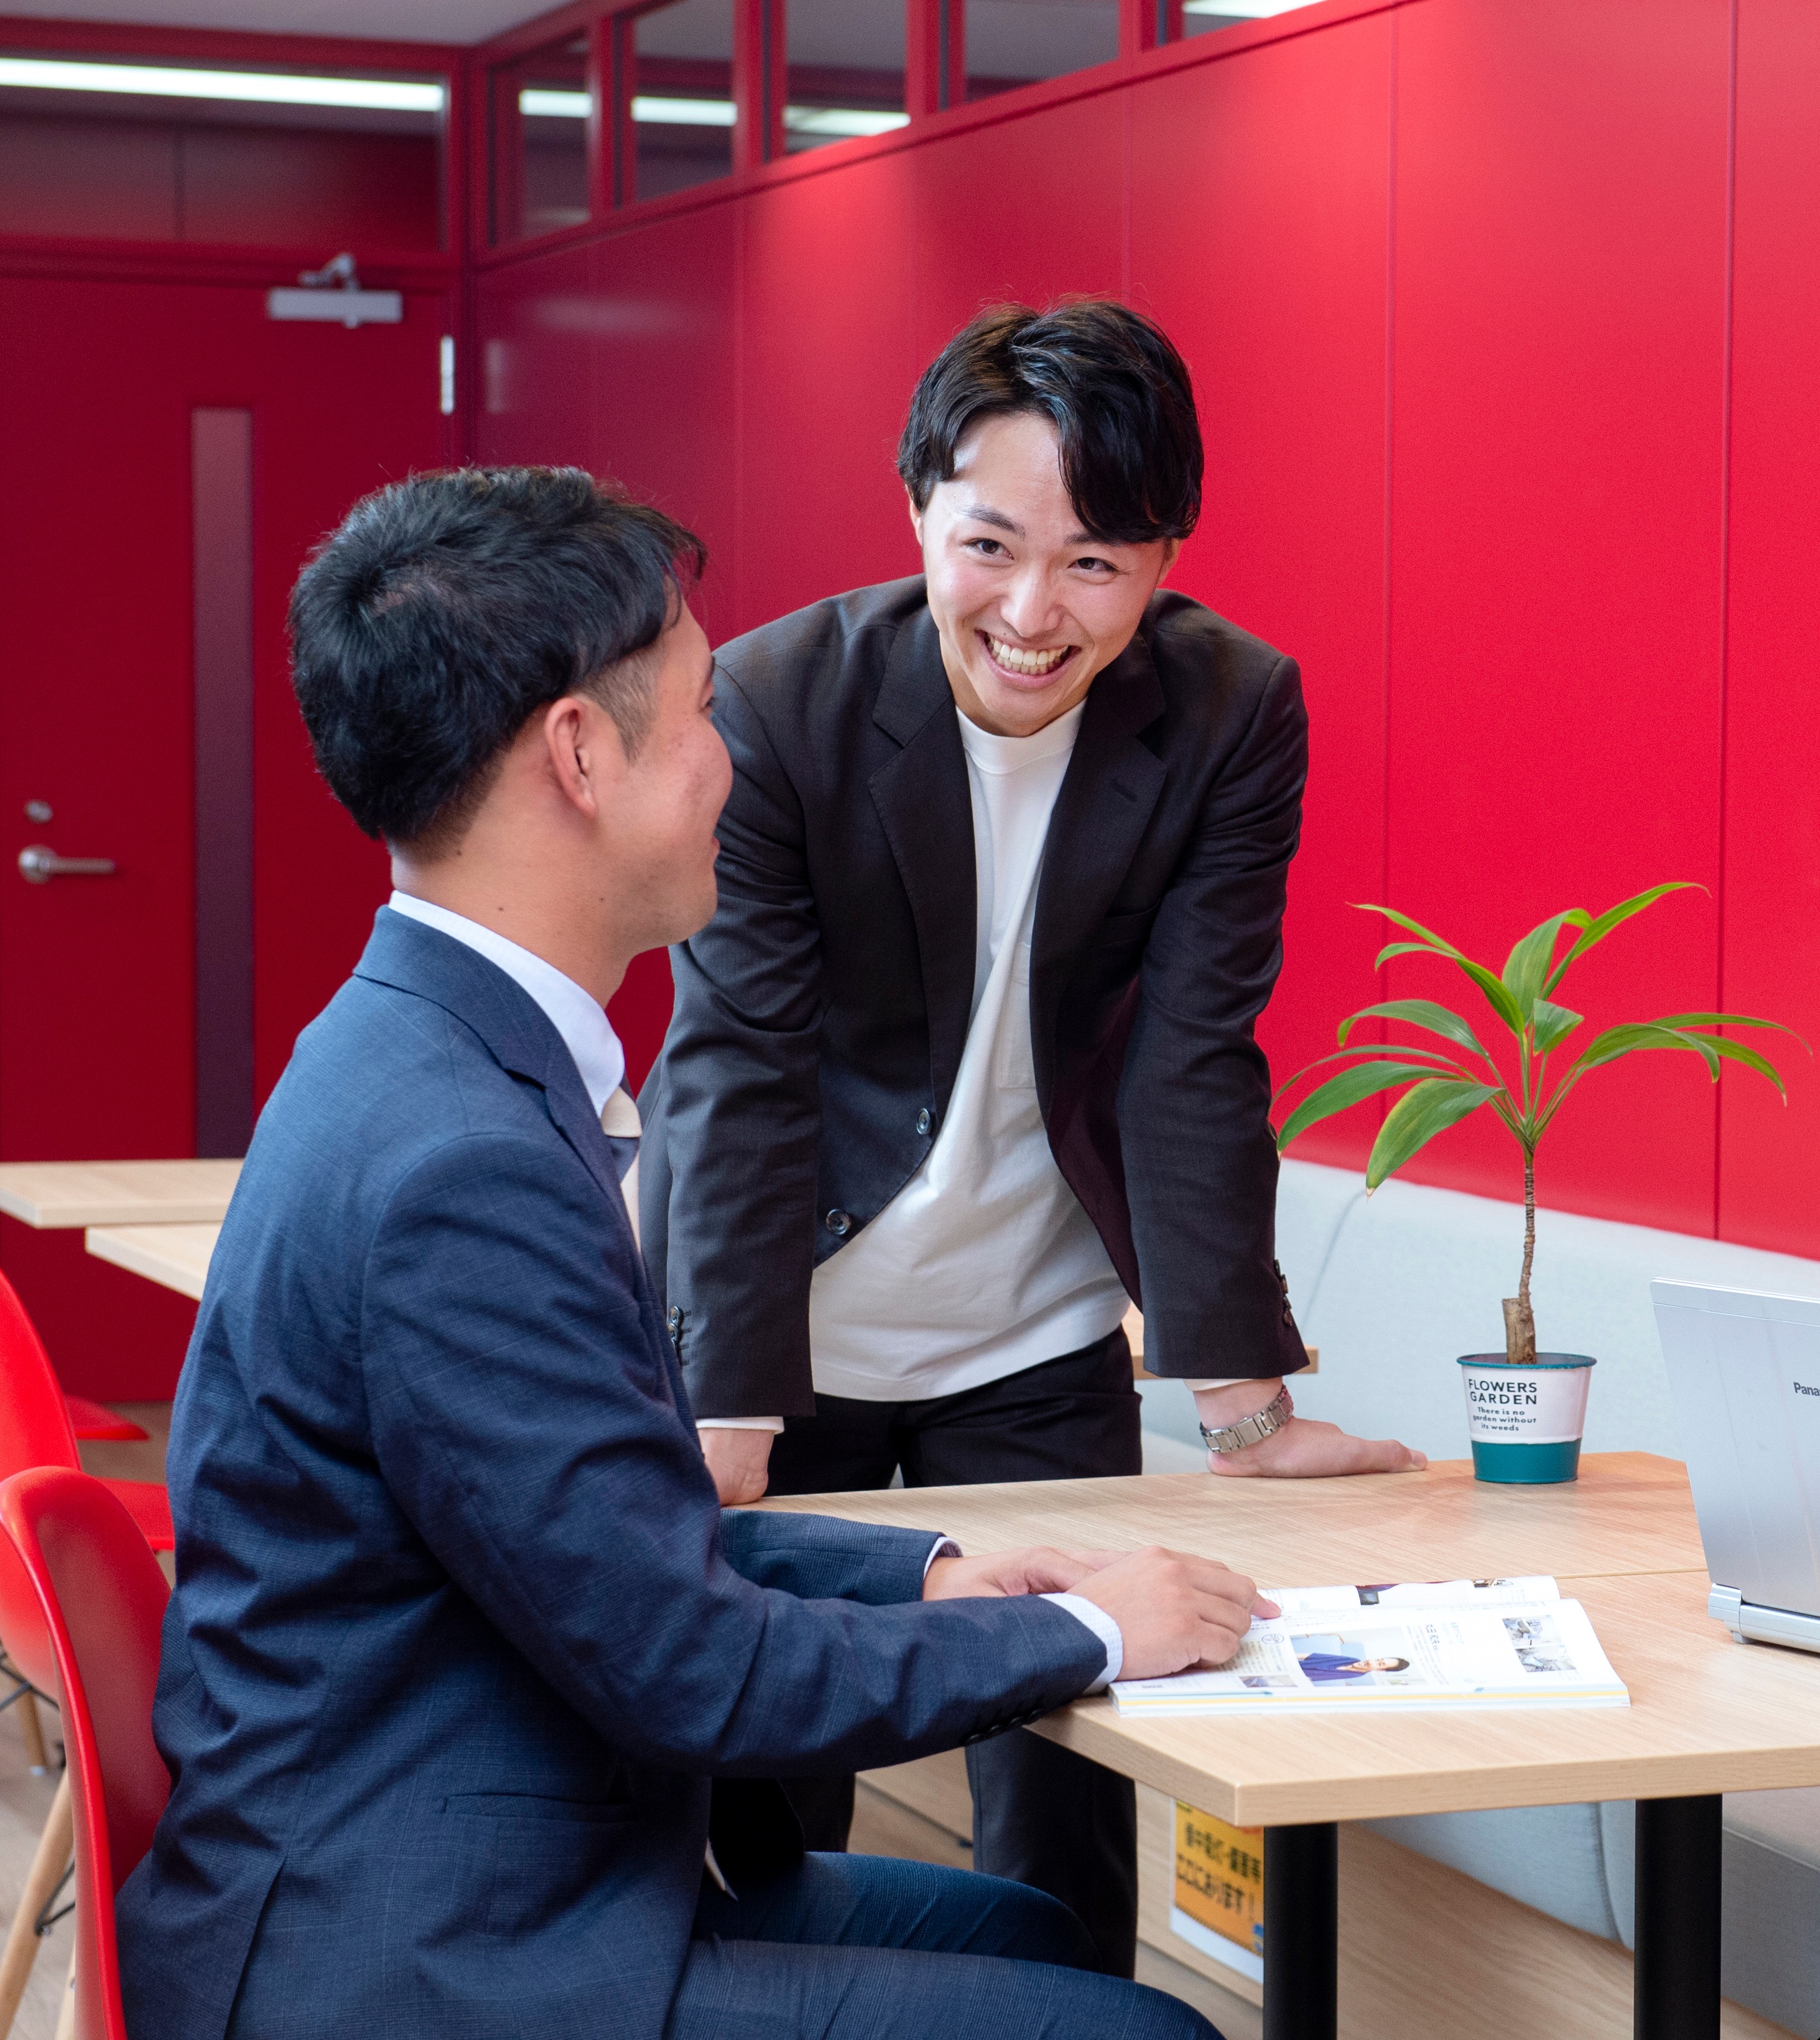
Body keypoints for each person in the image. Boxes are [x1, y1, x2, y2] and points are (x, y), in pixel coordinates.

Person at [123, 466, 1258, 2040]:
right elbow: (685, 1663)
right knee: (1149, 2031)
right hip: (427, 1950)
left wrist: (939, 1572)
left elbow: (618, 1543)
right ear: (580, 755)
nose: (733, 756)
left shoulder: (429, 1052)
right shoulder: (460, 1160)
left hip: (492, 1866)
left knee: (1044, 1941)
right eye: (705, 707)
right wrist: (1089, 1630)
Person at [640, 297, 1417, 1965]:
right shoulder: (775, 703)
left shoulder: (1230, 708)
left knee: (1066, 1816)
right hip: (787, 1338)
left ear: (1164, 558)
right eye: (990, 545)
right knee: (764, 1819)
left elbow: (1194, 1056)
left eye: (1096, 564)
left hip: (1035, 1342)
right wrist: (724, 1403)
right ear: (918, 506)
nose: (1033, 612)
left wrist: (1244, 1405)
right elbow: (742, 1066)